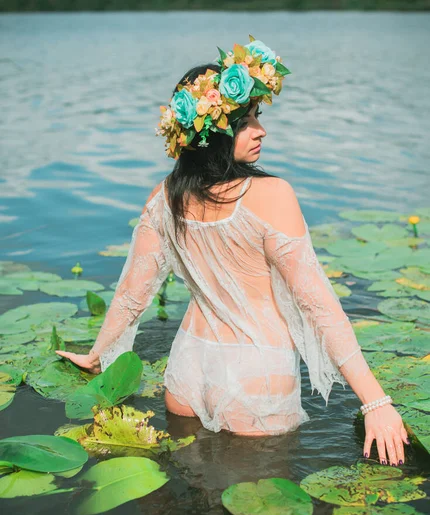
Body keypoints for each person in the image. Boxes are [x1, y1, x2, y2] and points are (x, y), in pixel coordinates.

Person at [56, 37, 409, 466]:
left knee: (191, 508)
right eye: (245, 122)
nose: (261, 130)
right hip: (256, 382)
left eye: (258, 116)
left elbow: (133, 294)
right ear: (213, 133)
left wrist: (97, 356)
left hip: (187, 375)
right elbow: (318, 304)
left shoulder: (164, 197)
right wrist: (375, 402)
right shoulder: (273, 194)